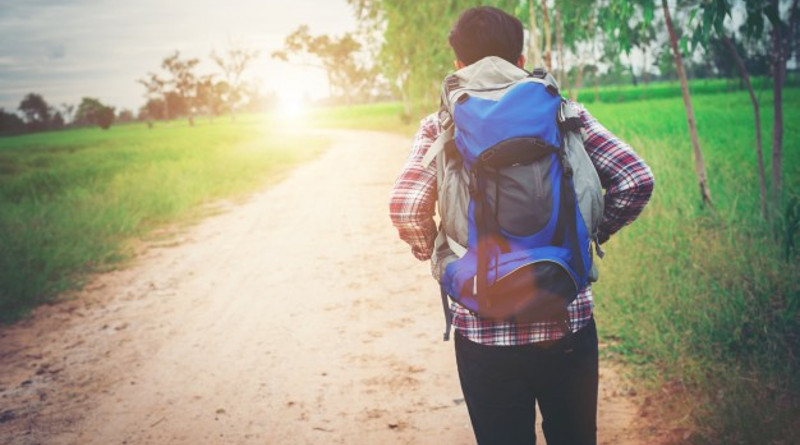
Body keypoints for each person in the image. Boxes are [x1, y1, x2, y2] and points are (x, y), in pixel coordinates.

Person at [389, 6, 654, 445]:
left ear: (459, 64)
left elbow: (405, 205)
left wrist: (436, 251)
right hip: (565, 316)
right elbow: (635, 179)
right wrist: (589, 233)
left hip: (483, 329)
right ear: (518, 60)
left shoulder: (441, 124)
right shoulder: (564, 112)